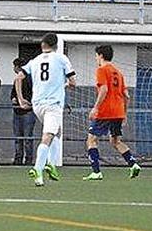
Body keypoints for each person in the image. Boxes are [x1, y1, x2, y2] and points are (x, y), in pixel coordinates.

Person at [15, 33, 75, 187]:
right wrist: (65, 85)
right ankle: (38, 168)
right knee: (48, 136)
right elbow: (73, 81)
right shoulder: (61, 58)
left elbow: (18, 78)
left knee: (57, 131)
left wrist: (21, 99)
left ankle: (50, 164)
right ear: (56, 45)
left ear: (42, 45)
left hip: (37, 105)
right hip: (52, 104)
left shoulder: (34, 61)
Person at [83, 45, 141, 181]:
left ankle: (96, 172)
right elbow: (127, 95)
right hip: (118, 112)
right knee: (115, 141)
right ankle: (133, 164)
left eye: (96, 55)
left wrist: (96, 107)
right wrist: (124, 113)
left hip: (106, 111)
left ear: (101, 55)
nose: (96, 58)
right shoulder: (118, 73)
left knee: (91, 139)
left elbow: (103, 89)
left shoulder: (102, 70)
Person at [11, 57, 34, 166]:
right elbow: (13, 93)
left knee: (27, 137)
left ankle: (28, 159)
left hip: (28, 112)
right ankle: (18, 158)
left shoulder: (30, 79)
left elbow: (33, 93)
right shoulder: (16, 80)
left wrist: (27, 102)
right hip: (17, 111)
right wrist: (14, 98)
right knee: (18, 137)